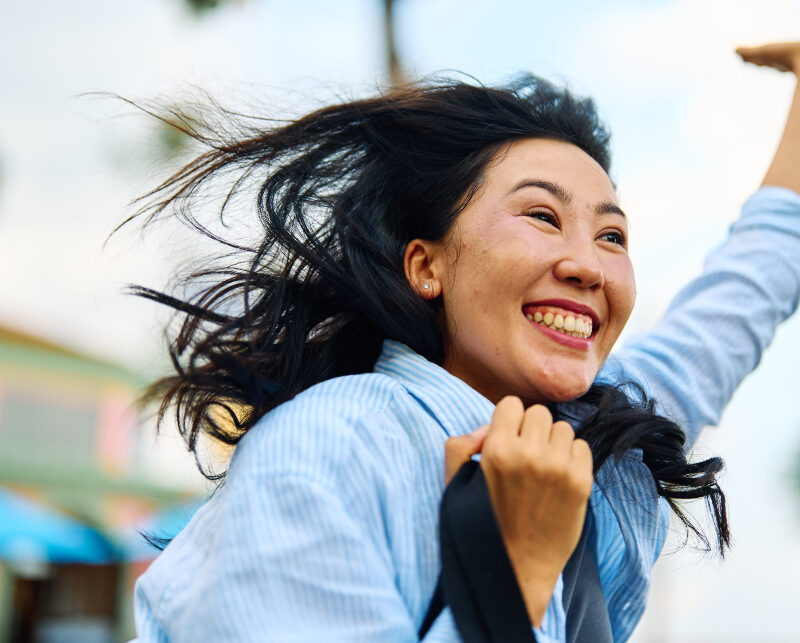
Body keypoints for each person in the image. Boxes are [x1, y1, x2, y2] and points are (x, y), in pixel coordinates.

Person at [130, 42, 800, 642]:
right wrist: (512, 572)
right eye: (542, 215)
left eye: (611, 236)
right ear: (428, 265)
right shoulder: (331, 445)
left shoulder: (602, 440)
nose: (589, 265)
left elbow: (742, 294)